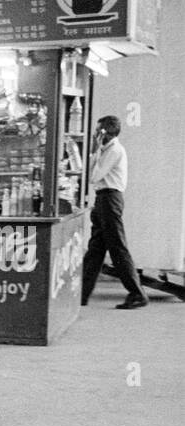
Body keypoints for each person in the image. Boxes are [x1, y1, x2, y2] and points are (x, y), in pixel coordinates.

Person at [81, 115, 148, 310]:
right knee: (95, 249)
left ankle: (137, 293)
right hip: (103, 199)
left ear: (106, 133)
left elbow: (94, 176)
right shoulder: (106, 149)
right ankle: (82, 293)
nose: (94, 134)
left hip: (110, 199)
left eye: (97, 130)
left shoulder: (114, 151)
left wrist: (94, 150)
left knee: (117, 247)